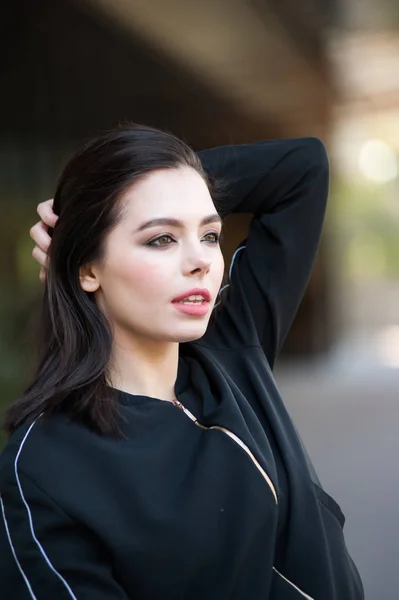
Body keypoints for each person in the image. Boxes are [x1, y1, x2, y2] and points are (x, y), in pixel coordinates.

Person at [0, 125, 364, 599]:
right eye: (161, 239)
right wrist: (101, 203)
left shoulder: (231, 351)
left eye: (210, 235)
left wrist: (161, 184)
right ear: (87, 268)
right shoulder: (44, 469)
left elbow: (303, 166)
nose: (201, 262)